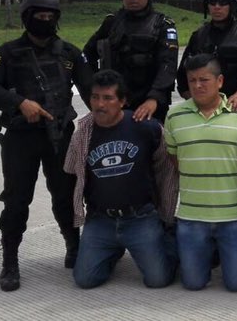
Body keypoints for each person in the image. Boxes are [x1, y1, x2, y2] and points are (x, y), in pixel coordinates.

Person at [0, 0, 93, 292]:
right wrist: (19, 103)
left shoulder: (70, 53)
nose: (45, 21)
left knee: (66, 196)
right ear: (27, 18)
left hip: (60, 136)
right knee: (16, 201)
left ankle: (74, 247)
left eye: (50, 16)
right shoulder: (8, 53)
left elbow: (91, 90)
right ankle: (10, 261)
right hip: (21, 139)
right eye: (39, 16)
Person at [63, 69, 178, 289]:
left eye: (108, 98)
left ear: (123, 101)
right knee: (85, 280)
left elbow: (166, 167)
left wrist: (165, 212)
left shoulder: (147, 128)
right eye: (95, 97)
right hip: (101, 220)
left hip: (140, 218)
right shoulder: (83, 132)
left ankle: (169, 239)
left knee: (158, 280)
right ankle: (112, 250)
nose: (99, 104)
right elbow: (70, 168)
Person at [165, 54, 237, 291]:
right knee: (192, 283)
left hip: (233, 217)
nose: (197, 86)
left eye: (204, 79)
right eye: (192, 80)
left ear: (220, 81)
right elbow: (175, 159)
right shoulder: (175, 116)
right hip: (192, 216)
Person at [82, 0, 179, 123]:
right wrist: (96, 86)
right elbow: (87, 54)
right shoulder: (111, 23)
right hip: (113, 102)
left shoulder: (162, 25)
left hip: (148, 104)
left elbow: (168, 65)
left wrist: (154, 98)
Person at [177, 0, 237, 112]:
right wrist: (194, 102)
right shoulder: (199, 35)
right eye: (212, 2)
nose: (217, 7)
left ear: (233, 5)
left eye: (223, 2)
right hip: (201, 107)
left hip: (235, 103)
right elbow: (183, 73)